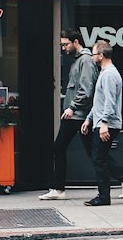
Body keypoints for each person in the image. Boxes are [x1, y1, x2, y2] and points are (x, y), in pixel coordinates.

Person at [79, 40, 123, 206]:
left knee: (99, 159)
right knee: (101, 158)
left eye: (93, 54)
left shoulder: (109, 75)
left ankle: (104, 196)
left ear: (101, 56)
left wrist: (103, 123)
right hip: (102, 122)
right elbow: (99, 102)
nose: (92, 57)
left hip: (107, 124)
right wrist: (89, 119)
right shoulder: (105, 73)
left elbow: (110, 102)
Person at [39, 29, 97, 200]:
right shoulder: (79, 60)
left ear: (76, 42)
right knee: (93, 152)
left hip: (78, 115)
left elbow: (86, 90)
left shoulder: (85, 61)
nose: (63, 48)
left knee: (60, 148)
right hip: (76, 114)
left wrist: (72, 107)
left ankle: (58, 189)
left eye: (65, 44)